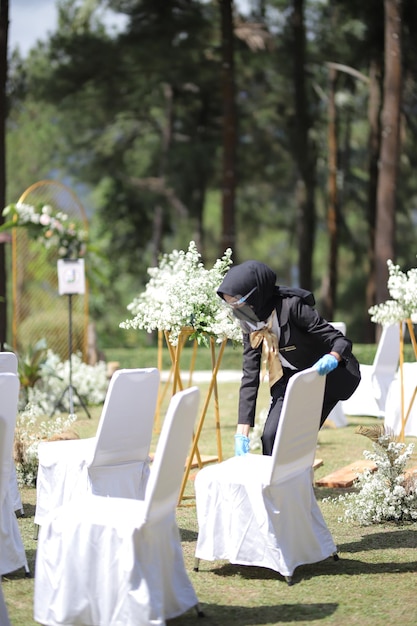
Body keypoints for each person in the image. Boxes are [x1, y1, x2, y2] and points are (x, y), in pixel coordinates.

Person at [217, 260, 361, 456]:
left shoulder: (292, 307)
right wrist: (242, 432)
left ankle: (298, 484)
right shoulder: (249, 325)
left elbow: (341, 341)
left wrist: (332, 358)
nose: (236, 311)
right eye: (230, 305)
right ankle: (273, 485)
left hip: (322, 377)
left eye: (238, 303)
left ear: (257, 295)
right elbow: (250, 377)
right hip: (287, 379)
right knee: (270, 437)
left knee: (298, 436)